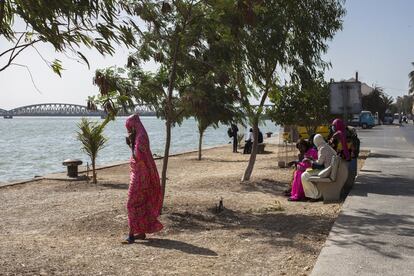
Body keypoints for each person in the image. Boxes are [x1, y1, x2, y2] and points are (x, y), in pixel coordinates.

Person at [124, 113, 163, 244]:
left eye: (129, 127)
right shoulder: (141, 136)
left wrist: (130, 144)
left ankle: (131, 235)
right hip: (140, 174)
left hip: (140, 176)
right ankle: (140, 232)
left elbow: (137, 157)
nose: (128, 130)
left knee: (131, 204)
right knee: (140, 203)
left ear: (133, 125)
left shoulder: (140, 138)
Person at [301, 134, 337, 201]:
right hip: (328, 169)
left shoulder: (322, 148)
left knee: (304, 175)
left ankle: (316, 195)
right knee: (307, 172)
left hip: (325, 170)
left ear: (316, 141)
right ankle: (316, 194)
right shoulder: (327, 146)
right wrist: (312, 159)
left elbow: (319, 164)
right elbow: (321, 161)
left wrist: (309, 161)